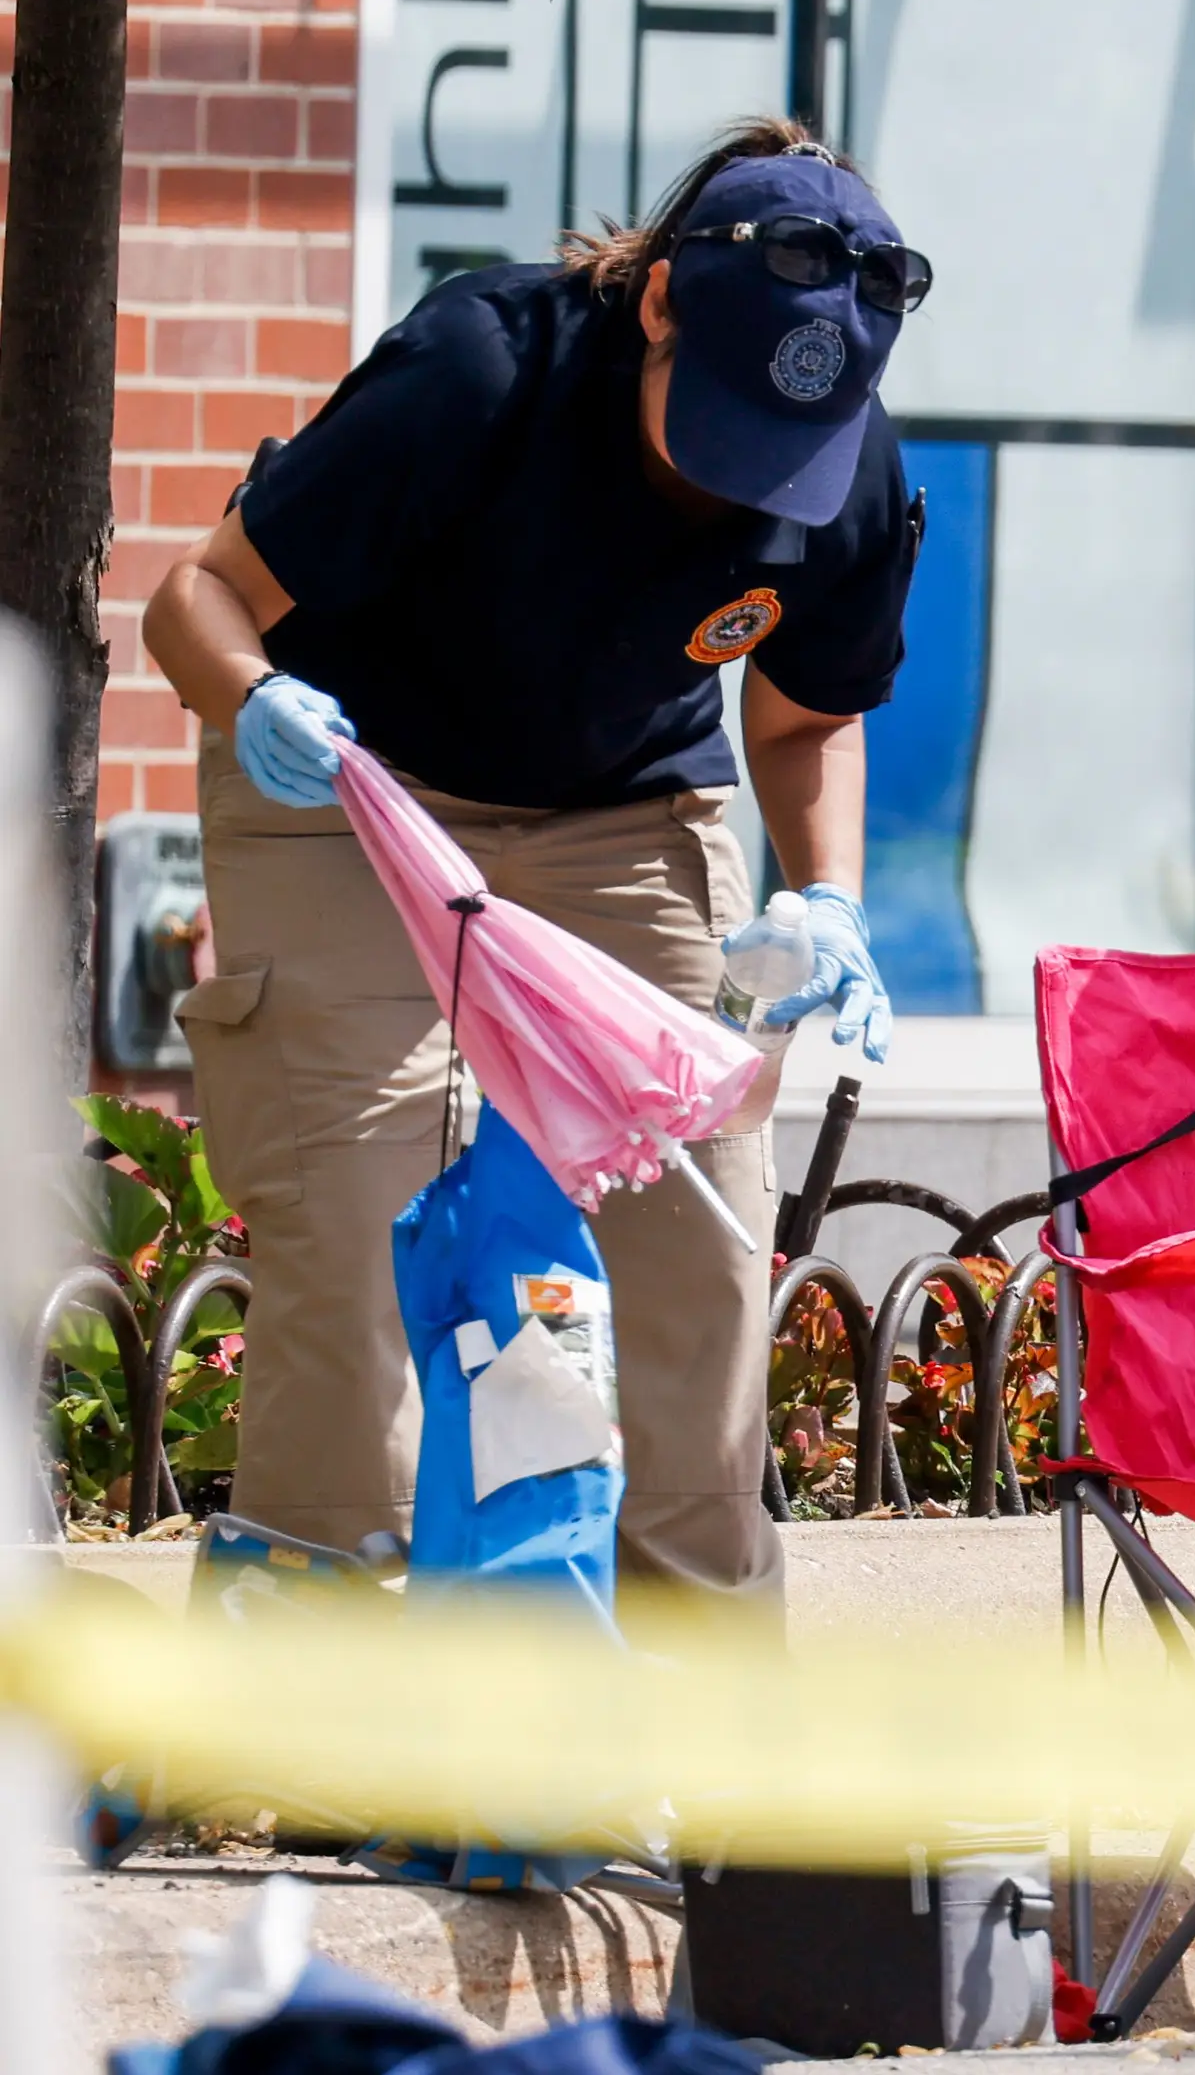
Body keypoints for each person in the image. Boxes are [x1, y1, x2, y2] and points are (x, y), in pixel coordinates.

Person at [140, 120, 926, 1623]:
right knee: (362, 1211)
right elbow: (200, 598)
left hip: (626, 806)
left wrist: (828, 896)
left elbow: (809, 711)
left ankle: (690, 1673)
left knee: (700, 1212)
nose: (737, 480)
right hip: (354, 784)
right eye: (715, 420)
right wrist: (251, 698)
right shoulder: (476, 371)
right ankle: (317, 1681)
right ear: (654, 306)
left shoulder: (851, 473)